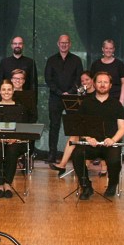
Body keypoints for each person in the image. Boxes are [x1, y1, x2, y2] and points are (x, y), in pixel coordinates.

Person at [72, 71, 124, 200]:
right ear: (94, 84)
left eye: (105, 82)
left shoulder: (117, 105)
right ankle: (86, 186)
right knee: (77, 154)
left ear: (110, 85)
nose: (102, 85)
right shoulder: (86, 103)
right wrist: (87, 137)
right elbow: (80, 126)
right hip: (92, 143)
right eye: (99, 82)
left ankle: (112, 185)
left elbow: (122, 128)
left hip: (110, 143)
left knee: (114, 160)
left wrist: (113, 140)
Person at [45, 34, 83, 163]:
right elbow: (48, 79)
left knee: (74, 126)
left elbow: (79, 79)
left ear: (70, 44)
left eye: (66, 42)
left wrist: (70, 92)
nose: (64, 45)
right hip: (55, 97)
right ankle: (52, 154)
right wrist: (60, 92)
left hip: (72, 98)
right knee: (54, 125)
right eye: (62, 42)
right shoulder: (51, 60)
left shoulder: (76, 60)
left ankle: (75, 154)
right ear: (58, 44)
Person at [49, 70, 95, 176]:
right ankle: (63, 164)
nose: (84, 82)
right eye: (82, 81)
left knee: (77, 134)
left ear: (93, 80)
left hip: (95, 124)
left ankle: (80, 164)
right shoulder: (81, 92)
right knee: (74, 135)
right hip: (84, 123)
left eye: (87, 79)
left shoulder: (97, 93)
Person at [0, 79, 26, 198]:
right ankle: (0, 184)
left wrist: (14, 137)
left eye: (9, 90)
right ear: (0, 92)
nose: (6, 92)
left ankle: (8, 184)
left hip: (15, 141)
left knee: (12, 150)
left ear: (13, 91)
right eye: (4, 90)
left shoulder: (20, 108)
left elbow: (22, 127)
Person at [89, 39, 124, 105]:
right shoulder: (95, 64)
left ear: (114, 49)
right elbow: (92, 82)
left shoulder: (119, 64)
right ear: (102, 49)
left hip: (115, 98)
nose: (108, 50)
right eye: (106, 48)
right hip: (98, 99)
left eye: (110, 48)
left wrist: (122, 99)